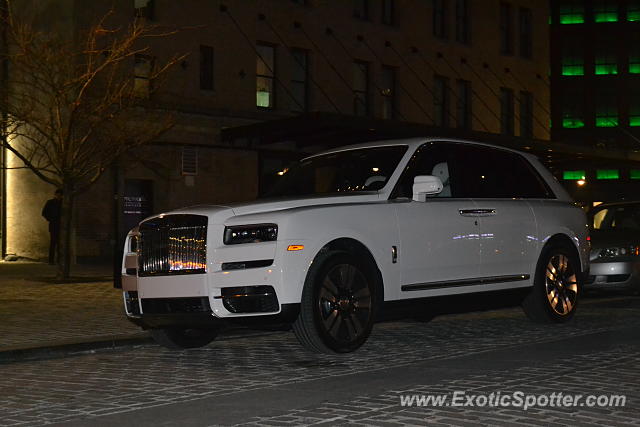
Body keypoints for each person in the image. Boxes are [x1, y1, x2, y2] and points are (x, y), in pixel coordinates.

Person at [42, 189, 62, 264]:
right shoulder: (50, 202)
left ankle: (59, 260)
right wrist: (51, 219)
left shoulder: (62, 203)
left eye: (60, 195)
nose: (59, 196)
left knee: (59, 244)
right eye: (58, 195)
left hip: (59, 225)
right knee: (53, 243)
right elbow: (44, 213)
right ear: (55, 195)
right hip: (54, 225)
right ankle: (51, 260)